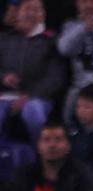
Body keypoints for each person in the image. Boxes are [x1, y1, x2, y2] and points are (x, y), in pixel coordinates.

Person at [0, 0, 66, 144]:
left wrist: (29, 95)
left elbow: (55, 78)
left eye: (36, 10)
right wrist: (3, 77)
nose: (31, 13)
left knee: (33, 111)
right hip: (4, 97)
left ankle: (41, 157)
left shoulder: (52, 42)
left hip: (37, 97)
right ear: (18, 13)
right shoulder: (4, 39)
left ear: (43, 15)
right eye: (27, 9)